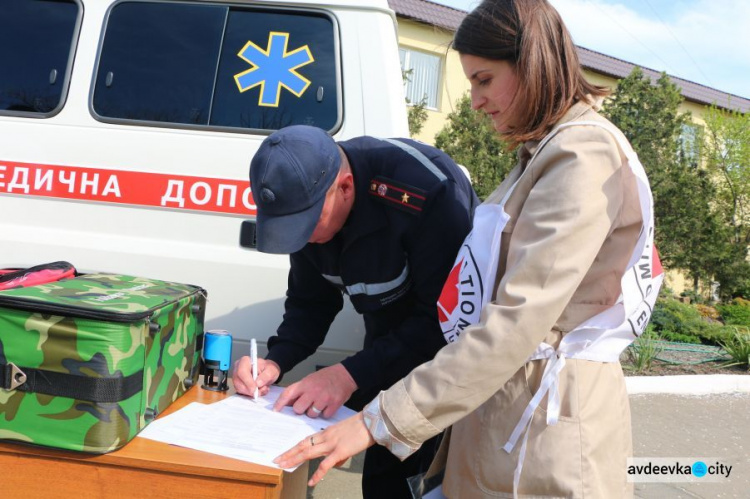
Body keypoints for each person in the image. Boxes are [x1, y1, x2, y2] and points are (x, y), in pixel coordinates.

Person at [274, 1, 663, 498]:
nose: (475, 100)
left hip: (548, 426)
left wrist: (378, 420)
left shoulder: (581, 155)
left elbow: (513, 323)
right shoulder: (542, 155)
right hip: (504, 414)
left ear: (533, 65)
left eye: (483, 79)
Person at [233, 124, 478, 498]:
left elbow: (444, 324)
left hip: (444, 371)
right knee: (382, 480)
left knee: (425, 481)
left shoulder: (427, 195)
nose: (303, 238)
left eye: (306, 225)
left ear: (345, 187)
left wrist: (348, 374)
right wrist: (276, 361)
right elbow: (311, 303)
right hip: (386, 349)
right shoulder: (310, 201)